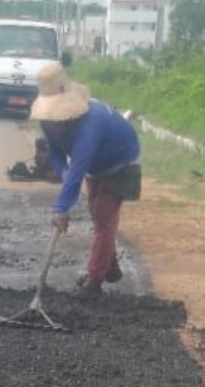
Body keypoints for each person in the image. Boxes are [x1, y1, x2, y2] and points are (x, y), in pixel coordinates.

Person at [30, 63, 141, 297]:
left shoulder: (93, 121)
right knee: (95, 212)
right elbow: (57, 153)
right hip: (95, 165)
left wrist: (61, 207)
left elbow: (79, 164)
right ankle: (108, 266)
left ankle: (95, 280)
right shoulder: (48, 120)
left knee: (103, 217)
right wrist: (64, 172)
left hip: (120, 162)